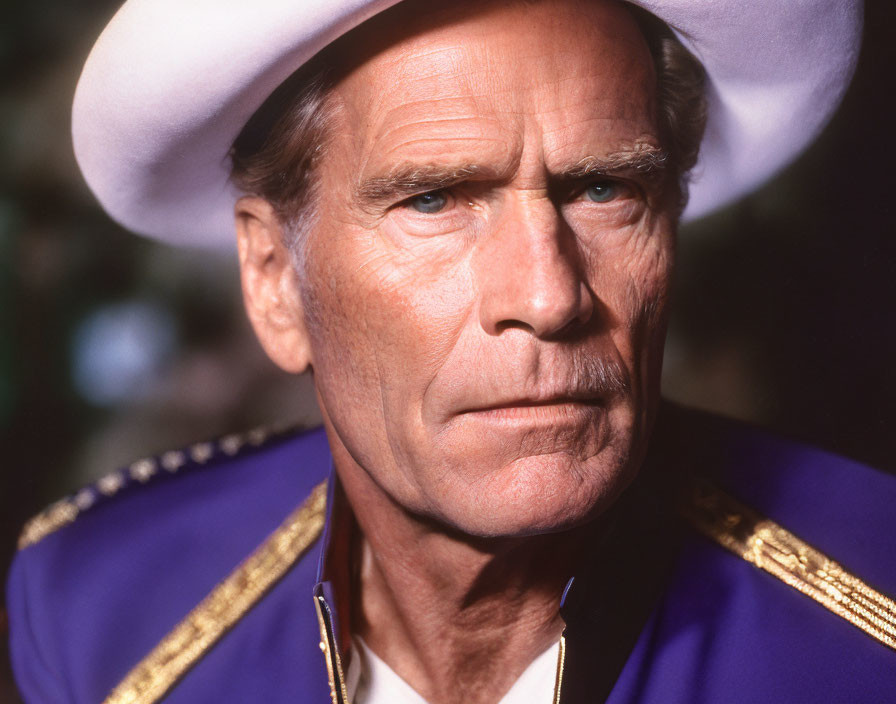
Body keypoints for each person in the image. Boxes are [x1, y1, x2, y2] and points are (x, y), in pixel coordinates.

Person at [6, 0, 896, 702]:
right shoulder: (101, 615)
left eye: (601, 188)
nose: (548, 297)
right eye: (434, 199)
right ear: (275, 279)